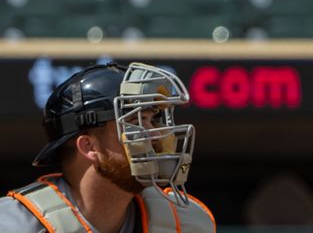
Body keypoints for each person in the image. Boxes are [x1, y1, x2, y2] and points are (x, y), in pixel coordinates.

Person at [0, 62, 215, 232]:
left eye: (152, 120)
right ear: (88, 146)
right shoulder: (14, 225)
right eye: (135, 122)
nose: (156, 133)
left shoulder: (186, 224)